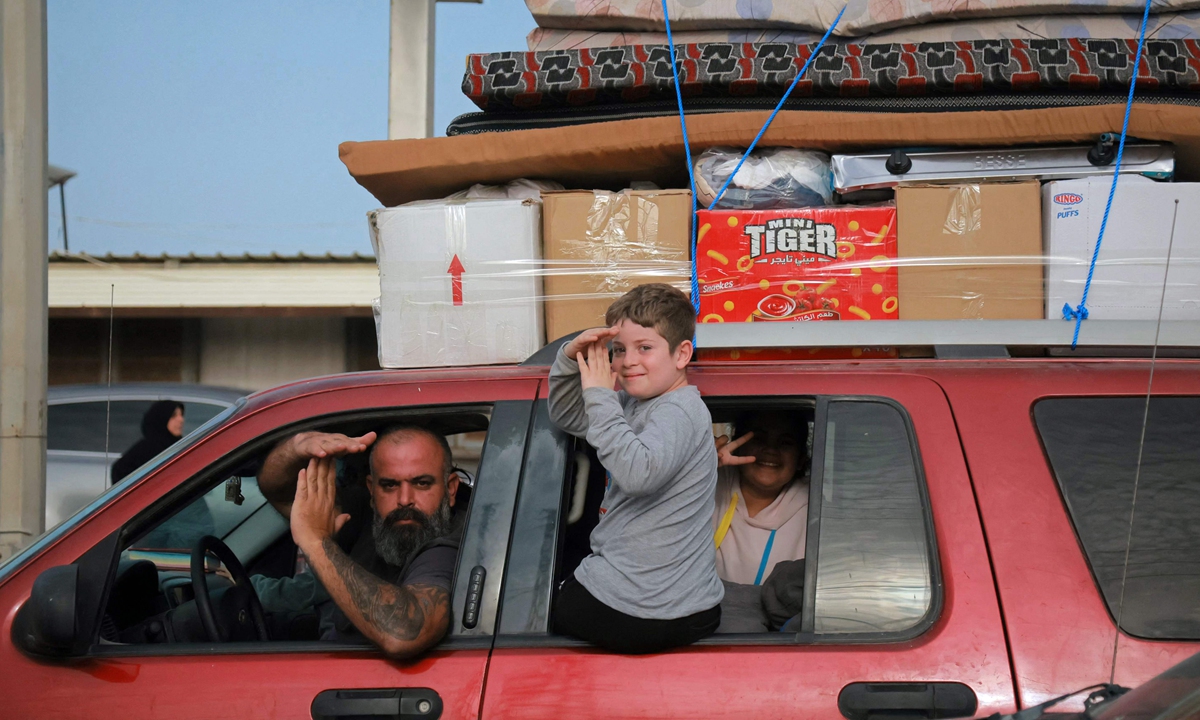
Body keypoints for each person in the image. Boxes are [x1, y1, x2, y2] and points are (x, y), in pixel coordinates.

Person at [549, 283, 723, 654]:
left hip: (648, 609)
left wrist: (600, 396)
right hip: (679, 604)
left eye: (645, 348)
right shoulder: (631, 403)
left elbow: (637, 474)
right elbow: (568, 416)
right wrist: (568, 358)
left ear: (682, 354)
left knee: (538, 606)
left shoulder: (678, 410)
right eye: (619, 350)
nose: (628, 361)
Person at [256, 425, 461, 658]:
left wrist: (315, 541)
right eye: (390, 485)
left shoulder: (451, 544)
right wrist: (296, 446)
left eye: (421, 483)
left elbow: (403, 634)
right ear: (371, 490)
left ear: (450, 489)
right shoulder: (370, 517)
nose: (404, 500)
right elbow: (279, 490)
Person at [712, 410, 810, 585]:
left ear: (801, 458)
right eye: (758, 439)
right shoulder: (708, 485)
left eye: (785, 443)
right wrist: (698, 465)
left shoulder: (816, 512)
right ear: (738, 446)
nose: (770, 450)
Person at [112, 400, 185, 483]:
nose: (181, 420)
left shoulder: (179, 445)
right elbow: (119, 471)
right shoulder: (148, 450)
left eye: (181, 415)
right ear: (161, 419)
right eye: (173, 416)